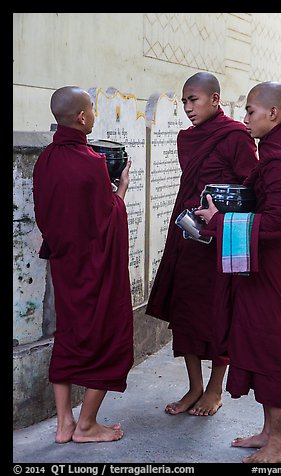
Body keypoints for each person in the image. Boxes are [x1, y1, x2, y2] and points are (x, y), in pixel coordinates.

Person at [195, 81, 281, 463]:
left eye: (250, 111)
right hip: (260, 265)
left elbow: (278, 222)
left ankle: (278, 443)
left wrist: (220, 221)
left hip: (269, 269)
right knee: (259, 345)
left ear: (272, 113)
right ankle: (267, 432)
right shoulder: (279, 149)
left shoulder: (280, 158)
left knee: (269, 348)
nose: (245, 119)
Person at [146, 72, 258, 416]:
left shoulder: (236, 137)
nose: (187, 108)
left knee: (217, 313)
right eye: (183, 101)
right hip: (187, 235)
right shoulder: (188, 139)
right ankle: (194, 385)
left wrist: (221, 219)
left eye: (193, 100)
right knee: (184, 313)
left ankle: (214, 388)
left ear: (215, 99)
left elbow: (251, 188)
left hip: (219, 238)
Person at [33, 86, 133, 443]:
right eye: (91, 108)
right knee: (107, 336)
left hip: (64, 265)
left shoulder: (45, 159)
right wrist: (120, 191)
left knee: (69, 336)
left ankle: (64, 424)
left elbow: (49, 214)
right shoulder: (93, 163)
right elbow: (106, 221)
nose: (93, 114)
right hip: (95, 268)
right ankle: (87, 424)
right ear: (81, 117)